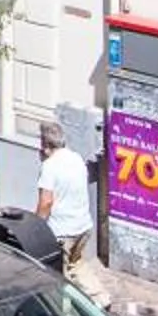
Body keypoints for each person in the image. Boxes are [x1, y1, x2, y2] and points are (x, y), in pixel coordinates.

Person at [35, 120, 103, 302]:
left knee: (60, 276)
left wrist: (37, 227)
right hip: (83, 226)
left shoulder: (49, 166)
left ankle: (66, 315)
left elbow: (46, 202)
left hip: (63, 232)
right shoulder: (76, 158)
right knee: (77, 264)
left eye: (41, 144)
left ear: (46, 145)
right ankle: (100, 299)